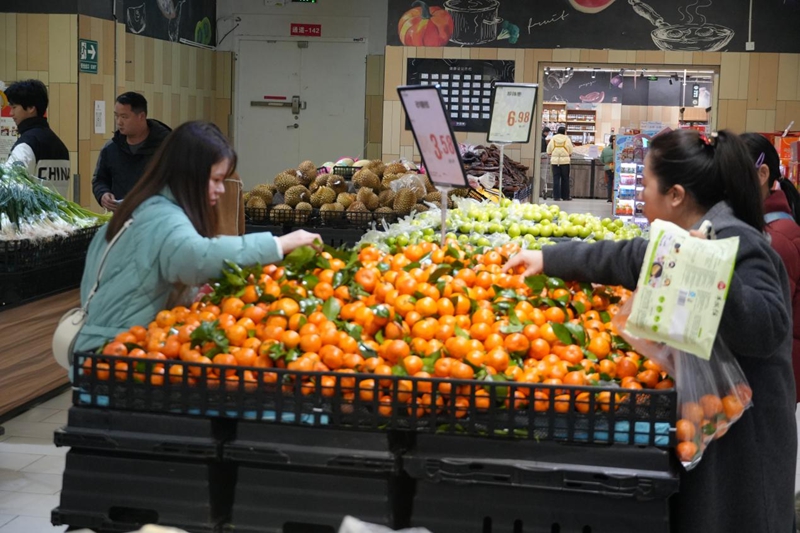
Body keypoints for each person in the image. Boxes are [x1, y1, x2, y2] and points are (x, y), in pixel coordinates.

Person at [504, 129, 796, 533]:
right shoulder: (692, 236)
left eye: (646, 184)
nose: (640, 194)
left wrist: (709, 271)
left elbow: (768, 327)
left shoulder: (738, 241)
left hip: (745, 446)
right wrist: (547, 257)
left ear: (675, 195)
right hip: (710, 423)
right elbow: (630, 257)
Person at [74, 121, 321, 354]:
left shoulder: (144, 205)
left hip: (107, 344)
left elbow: (148, 276)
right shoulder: (163, 217)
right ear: (189, 175)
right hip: (114, 353)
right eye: (215, 180)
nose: (221, 189)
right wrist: (280, 243)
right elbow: (197, 257)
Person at [741, 132, 800, 402]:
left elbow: (765, 325)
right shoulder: (771, 229)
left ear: (762, 174)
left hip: (773, 380)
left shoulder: (775, 240)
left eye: (732, 177)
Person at [92, 92, 171, 211]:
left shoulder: (167, 147)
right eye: (116, 116)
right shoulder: (111, 148)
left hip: (157, 219)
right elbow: (100, 179)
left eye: (124, 117)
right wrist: (103, 194)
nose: (119, 122)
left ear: (141, 116)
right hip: (121, 220)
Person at [4, 79, 71, 197]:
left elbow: (8, 189)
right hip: (58, 214)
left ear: (31, 108)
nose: (11, 113)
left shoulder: (26, 145)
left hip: (30, 215)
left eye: (14, 107)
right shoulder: (61, 146)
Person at [546, 126, 573, 201]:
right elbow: (571, 150)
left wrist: (551, 153)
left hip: (555, 162)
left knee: (556, 178)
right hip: (565, 162)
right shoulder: (567, 139)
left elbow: (548, 150)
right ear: (564, 132)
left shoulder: (553, 139)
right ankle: (565, 196)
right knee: (565, 179)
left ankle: (556, 196)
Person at [601, 135, 616, 203]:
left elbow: (601, 159)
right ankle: (615, 197)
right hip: (616, 168)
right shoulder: (617, 148)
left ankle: (609, 198)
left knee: (609, 183)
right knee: (616, 183)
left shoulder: (605, 149)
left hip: (608, 168)